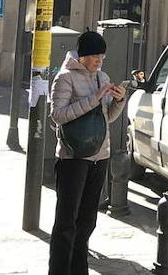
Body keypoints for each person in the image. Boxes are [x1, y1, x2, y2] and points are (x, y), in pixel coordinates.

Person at [49, 31, 126, 275]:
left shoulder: (103, 77)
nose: (98, 61)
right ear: (82, 56)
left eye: (102, 56)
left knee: (87, 221)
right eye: (94, 56)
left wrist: (119, 101)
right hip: (73, 158)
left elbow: (106, 118)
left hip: (99, 156)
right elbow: (57, 115)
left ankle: (79, 270)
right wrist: (94, 98)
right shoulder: (65, 78)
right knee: (66, 222)